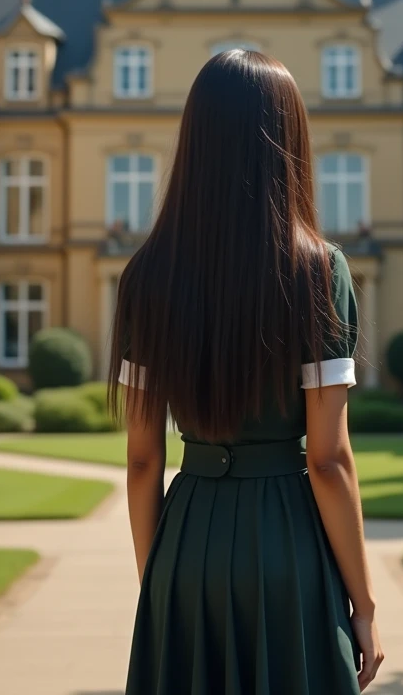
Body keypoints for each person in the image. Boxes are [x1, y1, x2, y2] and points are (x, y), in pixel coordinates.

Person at [109, 50, 384, 695]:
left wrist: (163, 578)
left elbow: (144, 459)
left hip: (186, 538)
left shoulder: (144, 277)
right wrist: (364, 607)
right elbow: (328, 459)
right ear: (288, 140)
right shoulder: (320, 269)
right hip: (287, 540)